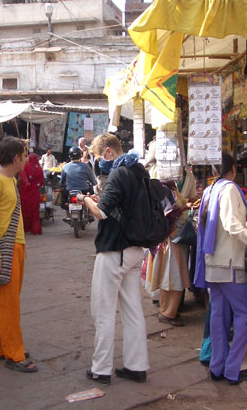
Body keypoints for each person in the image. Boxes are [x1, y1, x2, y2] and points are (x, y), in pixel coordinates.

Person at [194, 152, 247, 385]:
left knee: (219, 317)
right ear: (233, 169)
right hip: (229, 264)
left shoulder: (210, 189)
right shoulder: (229, 188)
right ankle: (236, 368)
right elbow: (232, 226)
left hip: (213, 263)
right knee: (245, 313)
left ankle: (217, 367)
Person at [79, 133, 149, 385]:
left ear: (109, 152)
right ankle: (137, 366)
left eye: (99, 158)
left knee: (103, 311)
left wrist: (84, 199)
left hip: (114, 248)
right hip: (135, 248)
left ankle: (101, 369)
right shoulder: (139, 170)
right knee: (133, 309)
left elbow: (101, 212)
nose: (99, 163)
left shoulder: (119, 173)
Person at [0, 137, 37, 373]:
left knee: (3, 301)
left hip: (16, 245)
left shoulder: (11, 180)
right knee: (9, 303)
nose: (26, 160)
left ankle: (1, 347)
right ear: (16, 158)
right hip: (5, 248)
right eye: (24, 156)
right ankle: (14, 353)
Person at [148, 170, 197, 327]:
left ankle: (168, 310)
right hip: (170, 239)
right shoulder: (163, 189)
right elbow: (167, 213)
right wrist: (184, 208)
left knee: (172, 276)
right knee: (172, 277)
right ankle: (167, 313)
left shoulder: (170, 187)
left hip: (171, 238)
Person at [60, 146, 97, 216]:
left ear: (69, 156)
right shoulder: (86, 166)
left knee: (64, 199)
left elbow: (61, 181)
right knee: (91, 195)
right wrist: (94, 183)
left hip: (69, 190)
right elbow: (93, 180)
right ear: (80, 155)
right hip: (84, 190)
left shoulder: (65, 167)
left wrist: (61, 185)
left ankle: (67, 215)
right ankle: (90, 214)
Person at [19, 153, 45, 235]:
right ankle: (35, 229)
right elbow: (41, 182)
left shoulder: (25, 167)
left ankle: (25, 228)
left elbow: (22, 180)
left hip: (25, 193)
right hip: (35, 193)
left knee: (25, 211)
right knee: (34, 212)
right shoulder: (39, 169)